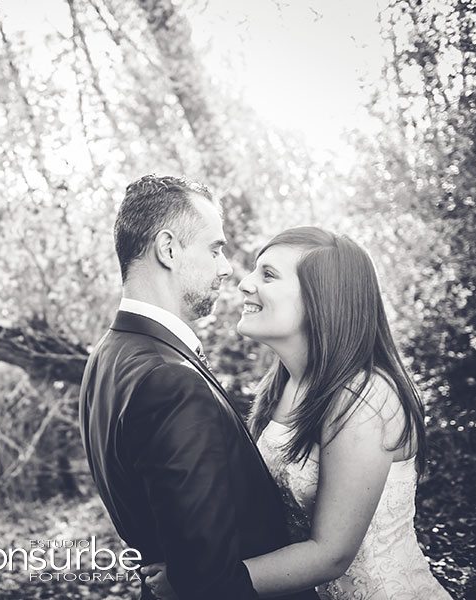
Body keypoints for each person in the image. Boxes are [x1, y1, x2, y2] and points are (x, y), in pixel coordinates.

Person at [144, 226, 452, 599]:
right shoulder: (282, 384)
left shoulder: (364, 398)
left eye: (268, 274)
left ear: (322, 299)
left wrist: (201, 581)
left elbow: (331, 555)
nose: (244, 284)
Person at [79, 175, 319, 600]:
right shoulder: (169, 380)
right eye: (215, 248)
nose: (227, 267)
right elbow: (209, 579)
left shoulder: (106, 354)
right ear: (168, 249)